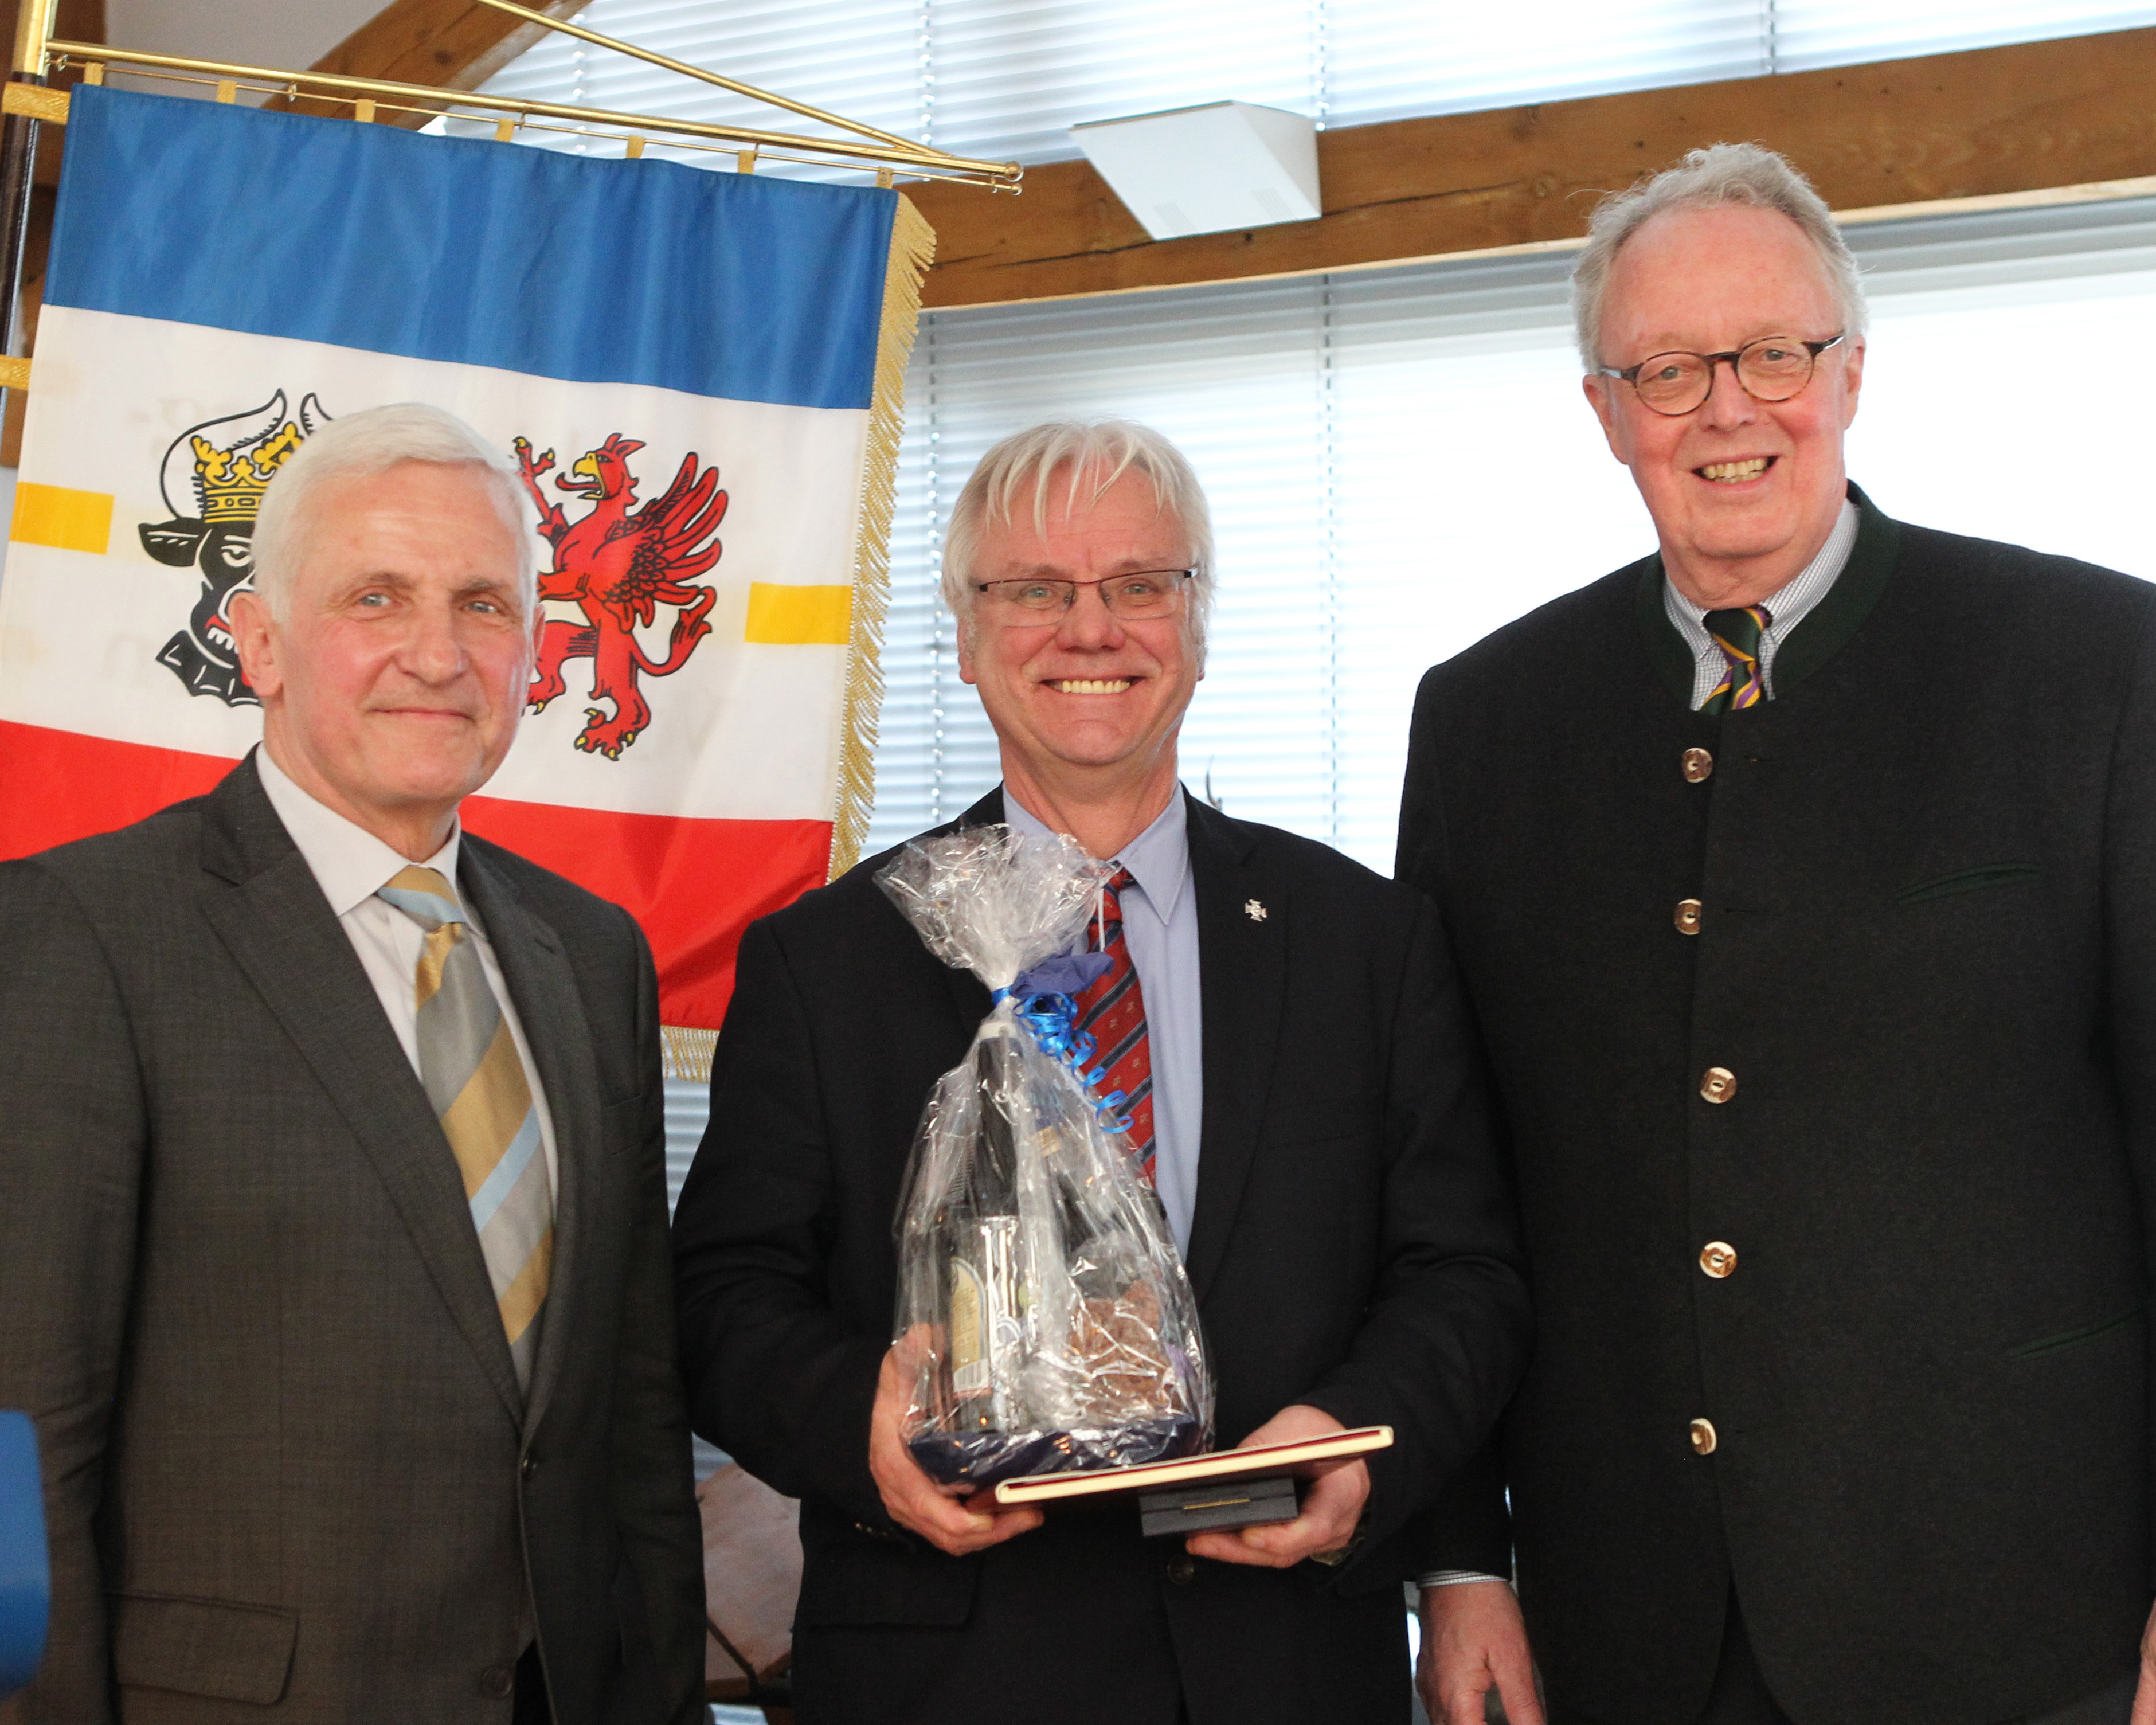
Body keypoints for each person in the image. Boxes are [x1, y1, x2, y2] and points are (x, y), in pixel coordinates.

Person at [1400, 142, 2156, 1725]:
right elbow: (1446, 1186)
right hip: (1627, 1630)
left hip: (2021, 1621)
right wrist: (1460, 1563)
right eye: (1667, 369)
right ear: (1603, 410)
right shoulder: (1486, 725)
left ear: (1853, 372)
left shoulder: (2098, 670)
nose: (1727, 409)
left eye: (1773, 354)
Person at [672, 420, 1531, 1725]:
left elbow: (1462, 1270)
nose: (1093, 629)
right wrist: (867, 1424)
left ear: (1196, 623)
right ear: (965, 638)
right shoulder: (824, 958)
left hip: (1287, 1661)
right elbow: (724, 1294)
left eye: (1141, 583)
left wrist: (1361, 1430)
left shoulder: (1367, 937)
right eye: (1035, 590)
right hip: (949, 1674)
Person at [0, 404, 706, 1723]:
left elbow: (630, 1412)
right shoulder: (83, 930)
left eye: (485, 604)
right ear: (256, 641)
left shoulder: (590, 949)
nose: (437, 654)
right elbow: (25, 1443)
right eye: (377, 595)